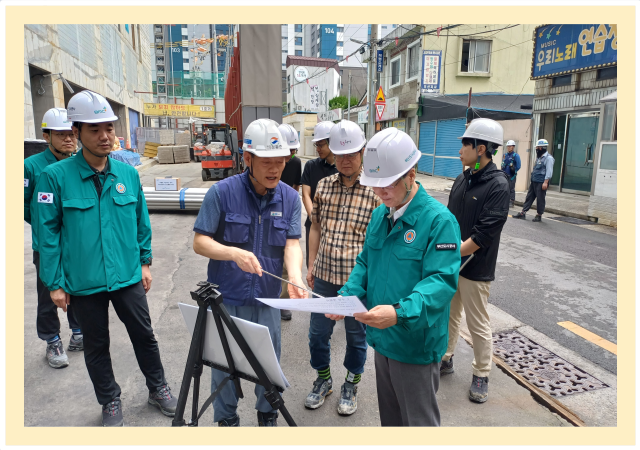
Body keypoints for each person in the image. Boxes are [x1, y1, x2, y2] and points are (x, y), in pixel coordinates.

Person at [33, 90, 177, 427]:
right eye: (95, 129)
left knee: (145, 335)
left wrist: (144, 261)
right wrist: (54, 283)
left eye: (109, 128)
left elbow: (141, 221)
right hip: (84, 281)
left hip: (126, 275)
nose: (104, 136)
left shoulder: (127, 174)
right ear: (78, 132)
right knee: (96, 344)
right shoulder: (54, 177)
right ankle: (110, 400)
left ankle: (158, 387)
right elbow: (46, 235)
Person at [329, 127, 460, 426]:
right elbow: (366, 262)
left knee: (418, 425)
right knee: (391, 422)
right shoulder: (380, 215)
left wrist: (399, 313)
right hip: (382, 337)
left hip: (414, 344)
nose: (381, 192)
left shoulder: (439, 222)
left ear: (411, 174)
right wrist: (347, 294)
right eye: (375, 185)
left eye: (387, 184)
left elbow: (440, 283)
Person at [192, 118, 305, 427]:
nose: (274, 169)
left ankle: (267, 415)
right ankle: (226, 420)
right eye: (266, 162)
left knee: (267, 365)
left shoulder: (290, 199)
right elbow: (200, 242)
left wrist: (295, 275)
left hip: (268, 301)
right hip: (226, 298)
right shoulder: (222, 193)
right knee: (223, 364)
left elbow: (292, 244)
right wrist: (233, 252)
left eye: (280, 162)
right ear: (248, 158)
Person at [304, 120, 380, 416]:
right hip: (324, 276)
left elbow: (379, 244)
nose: (346, 160)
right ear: (333, 155)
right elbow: (315, 227)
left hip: (358, 281)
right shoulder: (323, 186)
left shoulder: (375, 191)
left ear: (363, 152)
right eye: (340, 154)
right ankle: (324, 379)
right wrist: (311, 263)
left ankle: (351, 382)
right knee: (316, 334)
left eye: (352, 154)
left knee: (356, 336)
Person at [441, 118, 510, 404]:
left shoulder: (499, 185)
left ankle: (481, 373)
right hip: (452, 262)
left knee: (478, 322)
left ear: (480, 149)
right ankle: (446, 357)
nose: (459, 149)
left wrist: (450, 252)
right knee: (449, 314)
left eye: (464, 144)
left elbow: (483, 235)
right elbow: (448, 220)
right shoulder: (463, 178)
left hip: (476, 267)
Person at [25, 108, 82, 369]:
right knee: (49, 291)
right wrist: (43, 226)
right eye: (61, 135)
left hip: (76, 242)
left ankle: (79, 331)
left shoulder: (79, 164)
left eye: (71, 134)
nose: (69, 140)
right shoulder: (32, 167)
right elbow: (23, 204)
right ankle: (52, 340)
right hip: (47, 245)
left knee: (78, 287)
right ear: (46, 136)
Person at [300, 121, 338, 268]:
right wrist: (315, 219)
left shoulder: (342, 169)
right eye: (316, 145)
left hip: (336, 226)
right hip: (314, 225)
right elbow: (306, 195)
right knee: (314, 266)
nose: (317, 149)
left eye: (321, 145)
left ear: (332, 143)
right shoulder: (311, 166)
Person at [276, 123, 303, 321]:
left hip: (286, 208)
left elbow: (294, 188)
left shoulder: (295, 163)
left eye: (293, 152)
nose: (289, 157)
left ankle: (283, 302)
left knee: (286, 263)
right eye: (288, 151)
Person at [513, 139, 555, 222]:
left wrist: (545, 182)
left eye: (537, 147)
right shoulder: (539, 158)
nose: (536, 149)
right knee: (529, 197)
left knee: (540, 198)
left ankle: (539, 215)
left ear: (541, 148)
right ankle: (523, 212)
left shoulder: (548, 158)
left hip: (541, 182)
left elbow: (549, 171)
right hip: (534, 181)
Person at [501, 140, 521, 208]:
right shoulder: (505, 155)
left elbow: (518, 166)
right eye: (508, 146)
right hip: (504, 174)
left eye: (510, 146)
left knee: (511, 188)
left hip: (512, 175)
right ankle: (504, 200)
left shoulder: (515, 156)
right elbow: (503, 163)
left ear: (513, 147)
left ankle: (511, 201)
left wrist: (514, 170)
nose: (508, 148)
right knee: (504, 188)